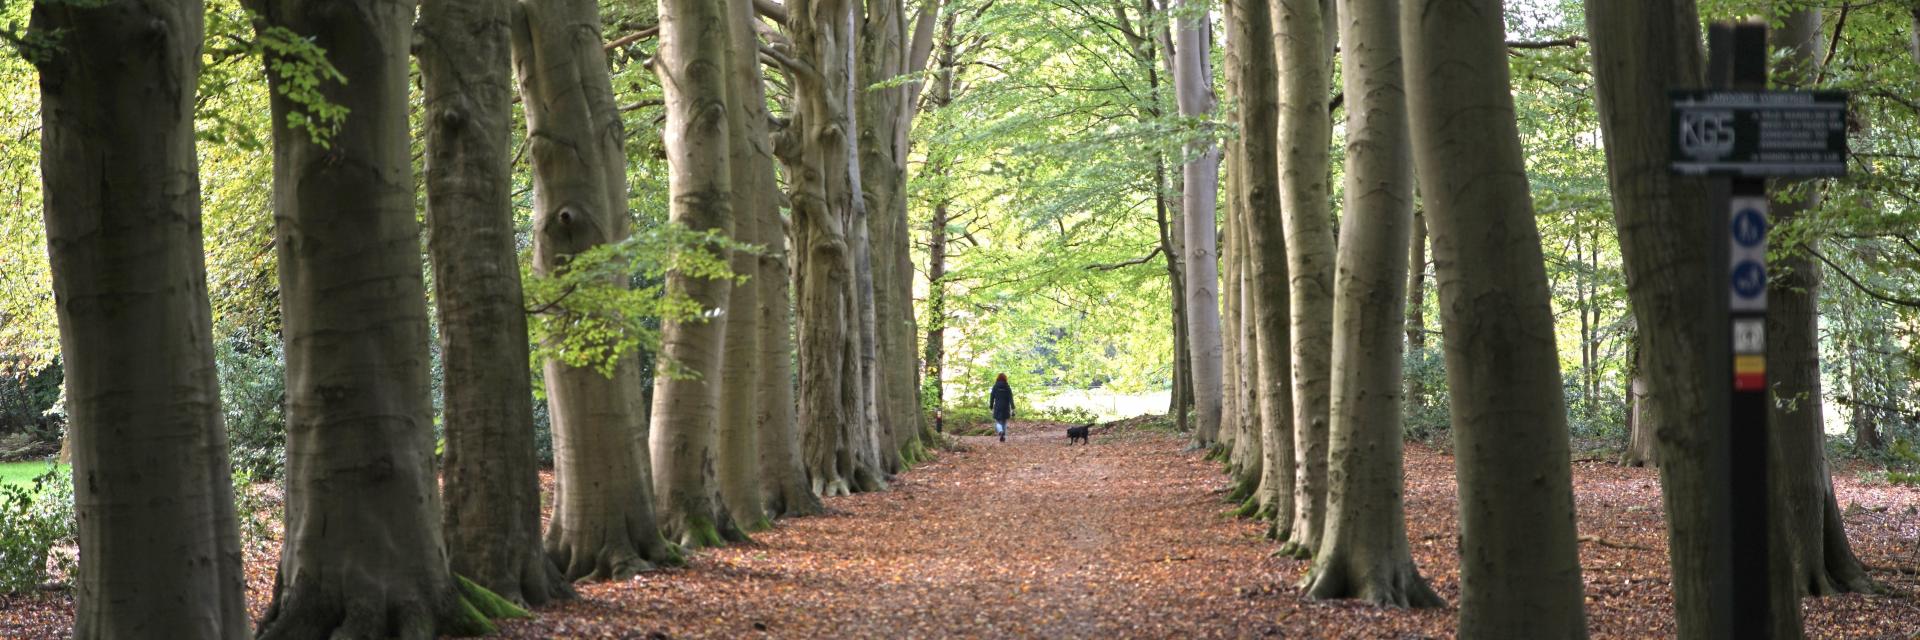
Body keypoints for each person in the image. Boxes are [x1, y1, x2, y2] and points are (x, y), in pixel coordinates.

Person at [990, 373, 1015, 442]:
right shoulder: (1007, 387)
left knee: (998, 421)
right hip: (1006, 407)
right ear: (1005, 379)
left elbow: (992, 397)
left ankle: (1000, 431)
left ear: (997, 378)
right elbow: (1011, 398)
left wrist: (991, 406)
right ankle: (1003, 436)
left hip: (997, 406)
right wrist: (1013, 408)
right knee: (1004, 421)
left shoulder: (995, 386)